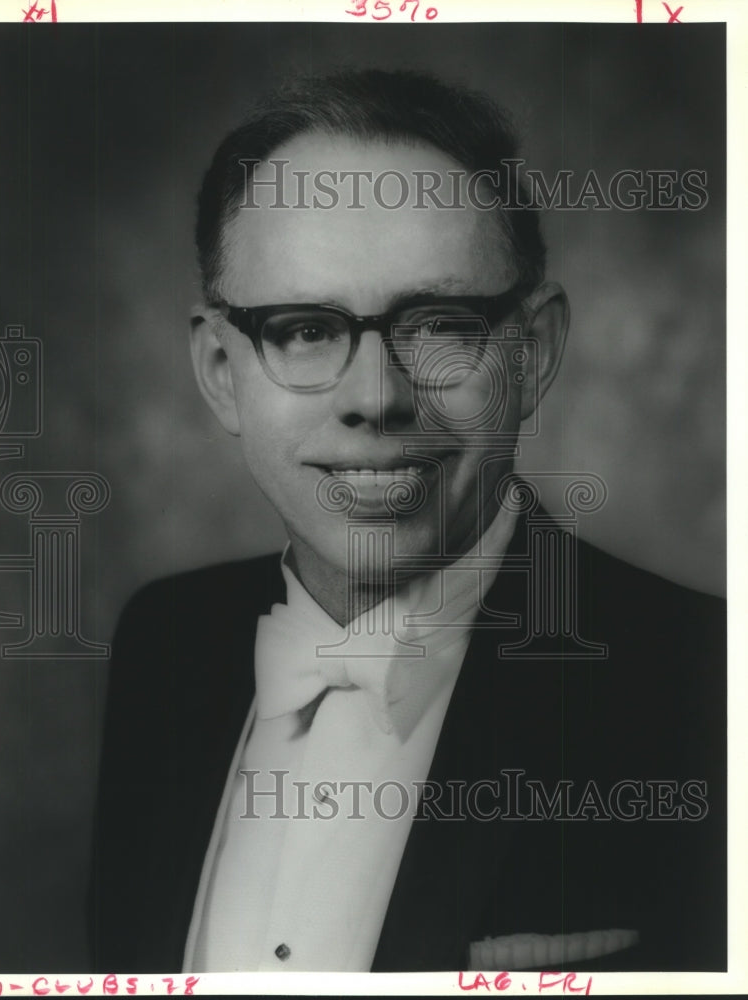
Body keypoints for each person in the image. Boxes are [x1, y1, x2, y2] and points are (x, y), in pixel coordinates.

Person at [88, 69, 725, 974]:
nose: (377, 398)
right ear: (221, 371)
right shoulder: (165, 644)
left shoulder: (705, 687)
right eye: (304, 329)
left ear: (532, 354)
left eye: (440, 324)